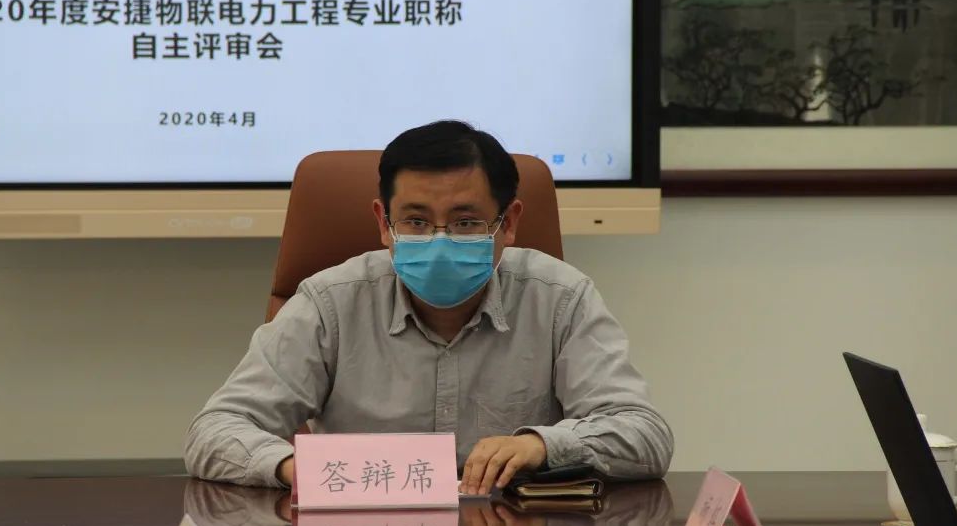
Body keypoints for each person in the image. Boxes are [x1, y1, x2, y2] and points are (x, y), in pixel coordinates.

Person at [184, 120, 673, 493]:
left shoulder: (560, 297)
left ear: (508, 223)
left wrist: (542, 446)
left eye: (465, 223)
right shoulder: (331, 301)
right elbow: (214, 431)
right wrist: (301, 470)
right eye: (416, 222)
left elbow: (645, 435)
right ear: (383, 223)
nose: (439, 241)